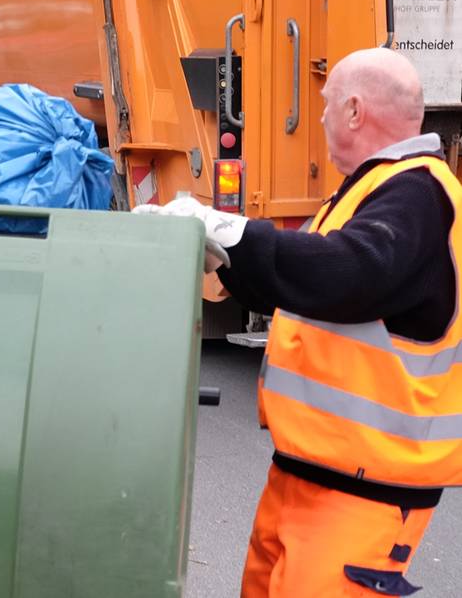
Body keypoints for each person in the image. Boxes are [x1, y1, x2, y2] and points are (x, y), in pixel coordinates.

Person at [138, 47, 461, 596]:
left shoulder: (419, 194)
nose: (319, 117)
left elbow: (347, 275)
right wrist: (227, 252)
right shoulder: (372, 189)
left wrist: (230, 230)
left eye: (326, 104)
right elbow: (307, 283)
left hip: (363, 495)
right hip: (308, 478)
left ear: (355, 111)